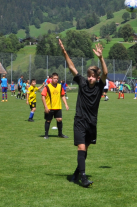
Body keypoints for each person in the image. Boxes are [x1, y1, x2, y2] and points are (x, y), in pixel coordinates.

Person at [59, 38, 108, 188]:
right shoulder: (82, 82)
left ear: (97, 78)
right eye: (89, 75)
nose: (90, 78)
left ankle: (76, 173)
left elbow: (105, 72)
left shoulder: (99, 86)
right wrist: (64, 52)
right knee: (81, 148)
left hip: (92, 123)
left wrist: (101, 58)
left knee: (85, 150)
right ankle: (84, 178)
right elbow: (72, 67)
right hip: (80, 120)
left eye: (93, 76)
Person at [42, 73, 69, 138]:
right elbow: (43, 96)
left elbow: (62, 95)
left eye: (57, 78)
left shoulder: (60, 86)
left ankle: (60, 134)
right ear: (51, 79)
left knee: (59, 119)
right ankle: (46, 135)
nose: (56, 79)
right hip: (49, 107)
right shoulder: (47, 87)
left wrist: (66, 104)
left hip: (58, 107)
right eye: (54, 78)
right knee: (48, 120)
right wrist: (45, 107)